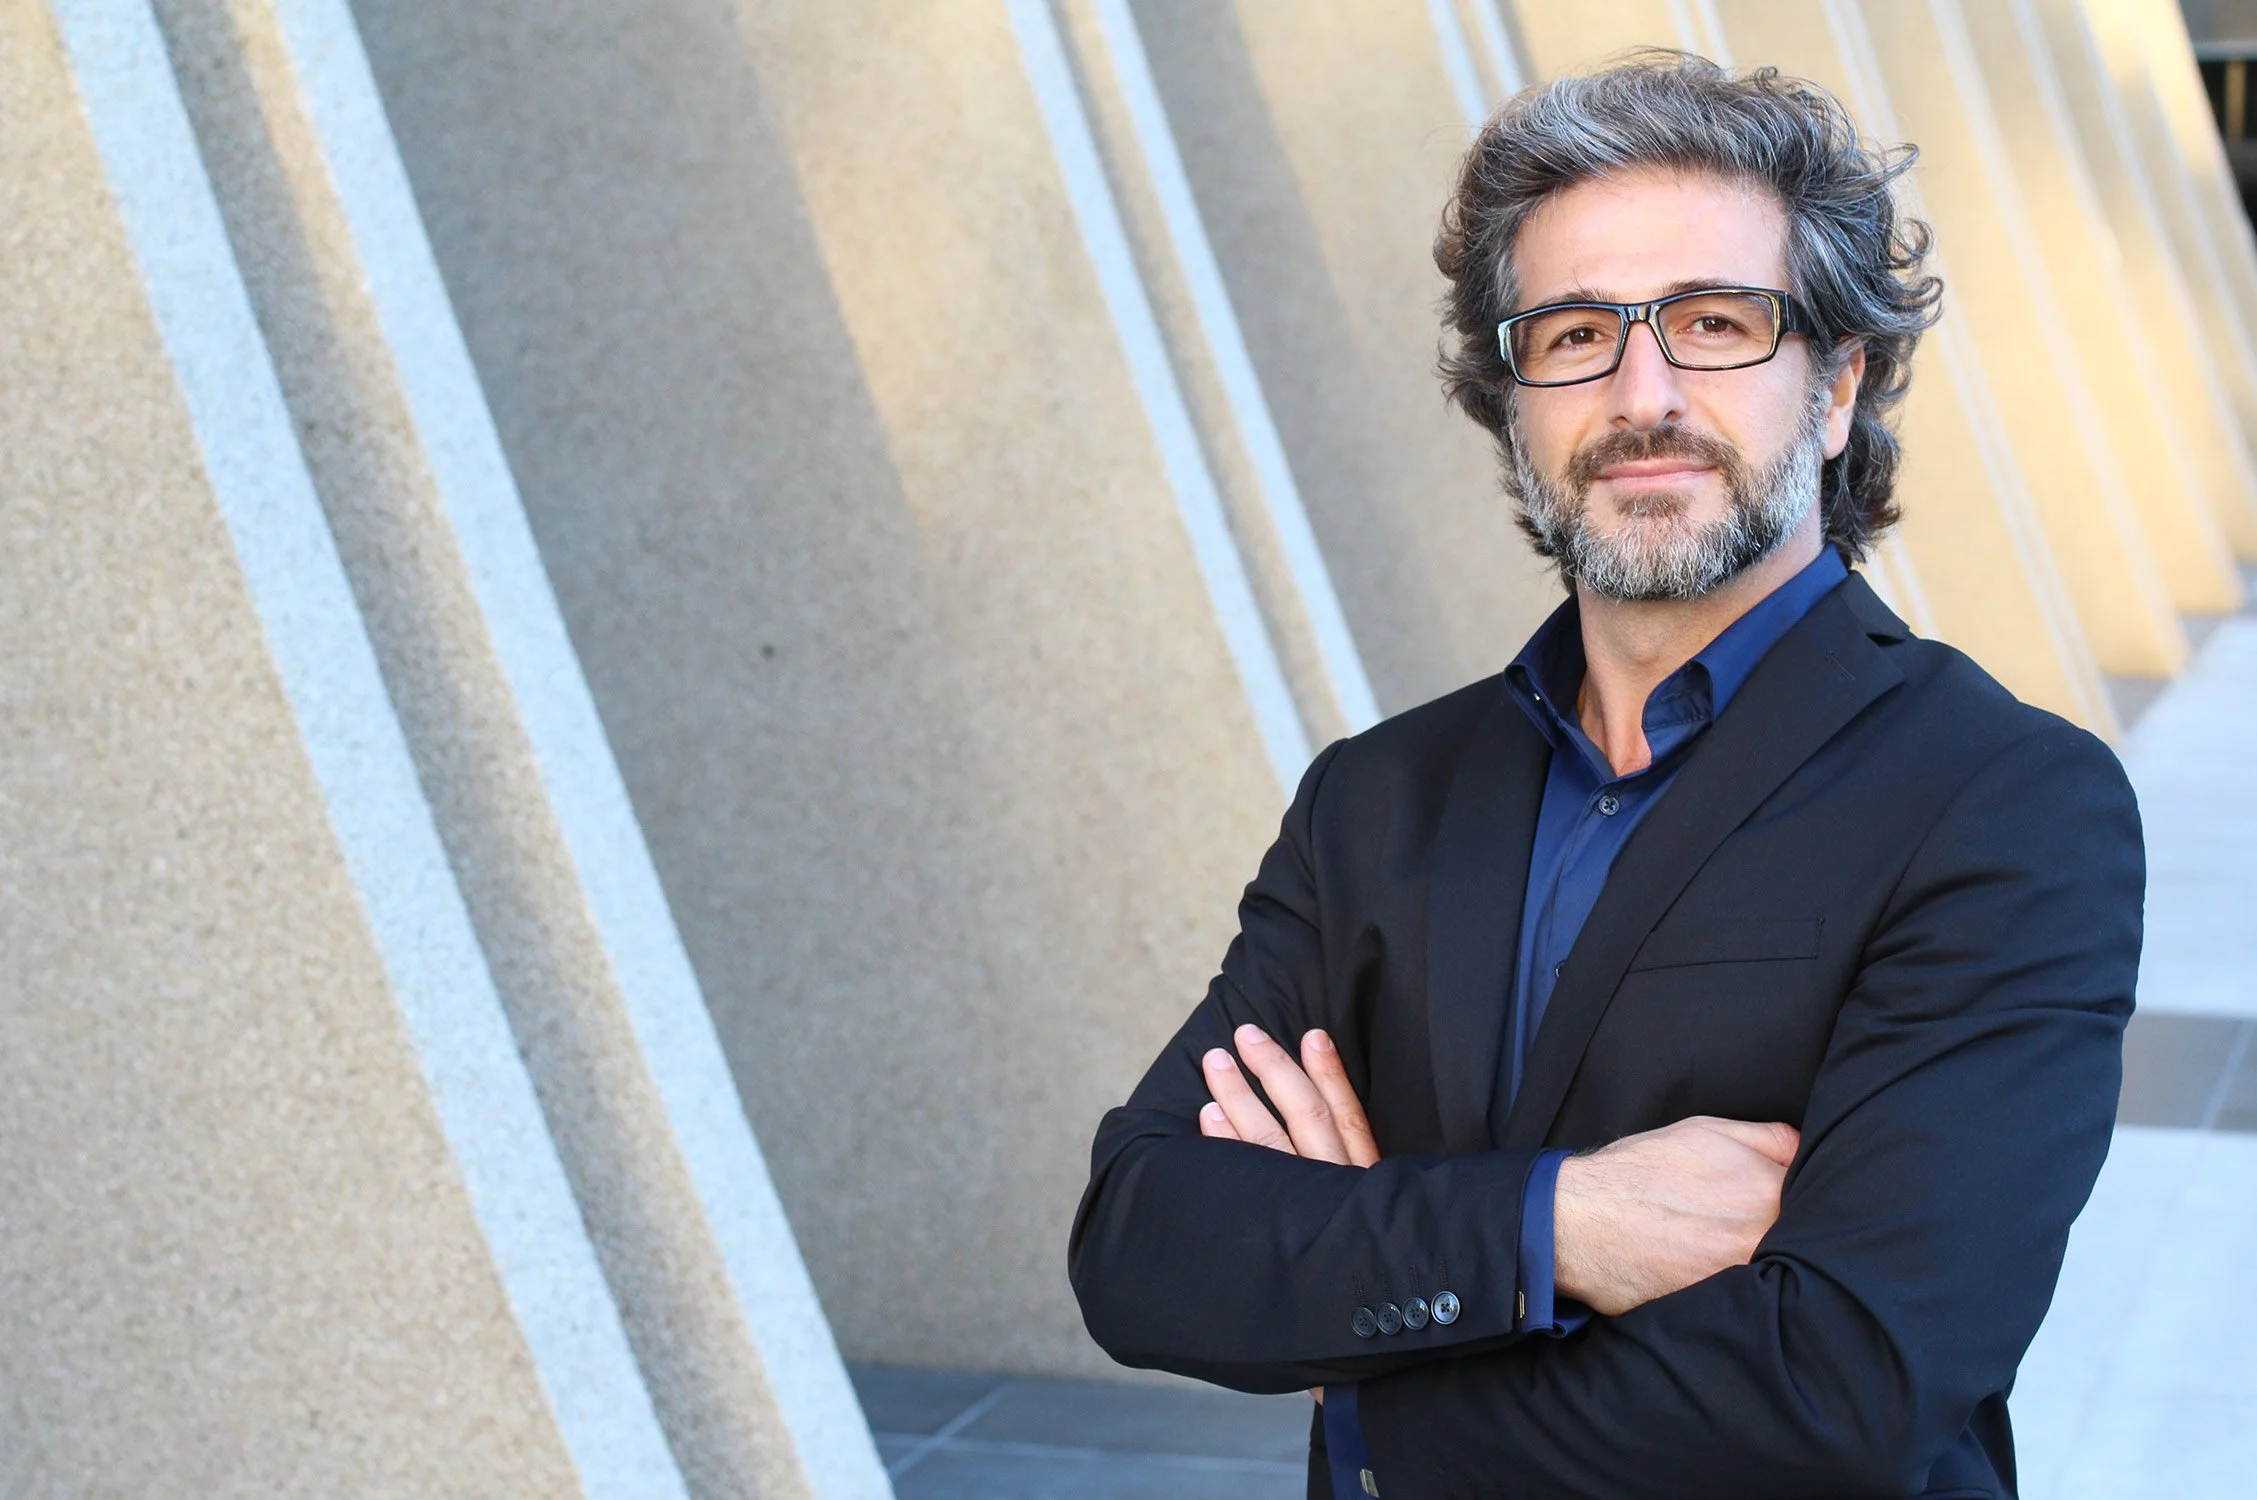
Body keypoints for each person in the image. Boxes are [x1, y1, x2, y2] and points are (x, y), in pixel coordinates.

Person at [1067, 53, 2142, 1499]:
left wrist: (1372, 1384)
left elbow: (1848, 1382)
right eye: (1575, 333)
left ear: (1836, 386)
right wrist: (1560, 1224)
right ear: (1512, 402)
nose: (1644, 393)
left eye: (1715, 323)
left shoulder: (2005, 802)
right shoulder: (1378, 798)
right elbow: (1143, 1242)